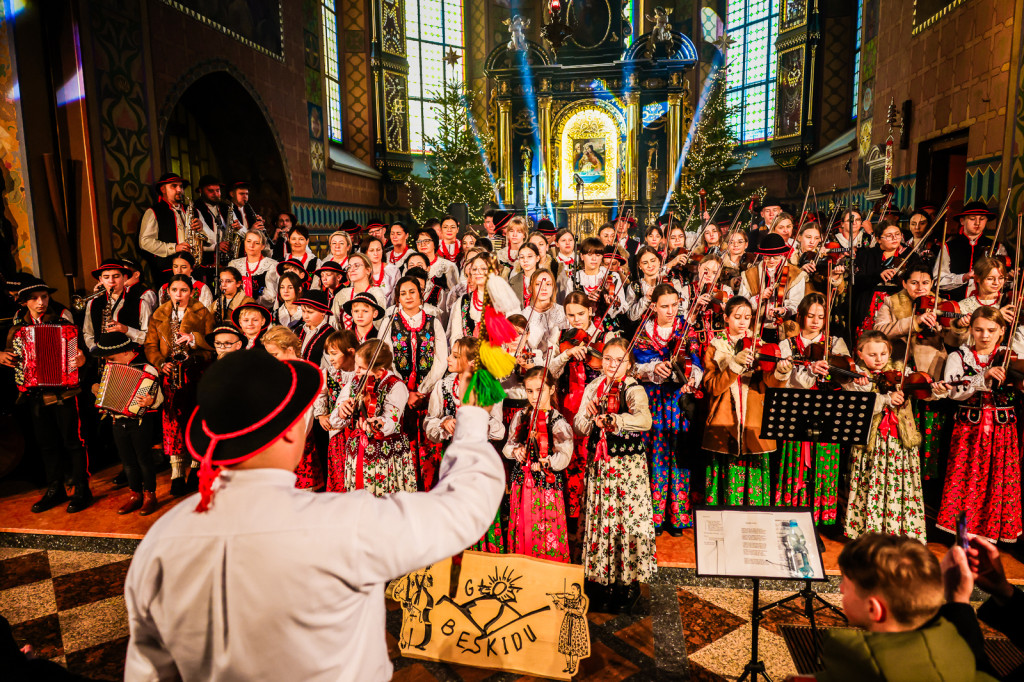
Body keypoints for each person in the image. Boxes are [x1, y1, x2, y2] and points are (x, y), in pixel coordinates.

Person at [123, 349, 506, 681]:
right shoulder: (343, 525)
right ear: (292, 432)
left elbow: (150, 672)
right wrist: (472, 417)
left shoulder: (162, 540)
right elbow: (465, 508)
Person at [799, 533, 998, 682]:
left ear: (874, 609)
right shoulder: (963, 648)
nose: (841, 589)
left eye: (846, 585)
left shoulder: (861, 663)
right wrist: (958, 599)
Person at [574, 337, 655, 614]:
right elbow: (580, 426)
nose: (611, 364)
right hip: (601, 467)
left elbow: (645, 420)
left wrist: (616, 420)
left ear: (628, 364)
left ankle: (627, 582)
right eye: (607, 358)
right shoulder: (594, 387)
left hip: (626, 468)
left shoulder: (633, 388)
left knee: (625, 520)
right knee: (603, 519)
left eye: (618, 360)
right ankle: (602, 580)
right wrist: (590, 419)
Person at [0, 278, 90, 513]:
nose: (41, 302)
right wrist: (2, 356)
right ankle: (55, 488)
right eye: (34, 298)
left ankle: (82, 489)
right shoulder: (17, 326)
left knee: (73, 443)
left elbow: (82, 352)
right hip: (36, 394)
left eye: (44, 297)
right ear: (24, 302)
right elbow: (11, 353)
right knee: (46, 444)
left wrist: (81, 360)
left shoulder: (63, 319)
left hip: (65, 392)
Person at [936, 306, 1021, 543]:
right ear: (971, 330)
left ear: (1002, 331)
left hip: (1002, 428)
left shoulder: (1010, 356)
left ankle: (994, 532)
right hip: (969, 429)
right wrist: (981, 377)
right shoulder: (959, 356)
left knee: (999, 479)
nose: (985, 335)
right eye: (979, 330)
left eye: (991, 330)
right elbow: (954, 392)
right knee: (966, 478)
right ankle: (964, 534)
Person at [702, 296, 792, 505]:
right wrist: (733, 365)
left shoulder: (761, 346)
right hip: (724, 422)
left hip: (755, 421)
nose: (743, 322)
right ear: (726, 318)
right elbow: (713, 387)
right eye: (737, 317)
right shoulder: (715, 347)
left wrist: (780, 373)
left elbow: (770, 385)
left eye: (748, 317)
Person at [841, 330, 927, 541]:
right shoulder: (855, 378)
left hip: (899, 441)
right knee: (870, 481)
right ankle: (868, 531)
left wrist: (936, 387)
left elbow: (924, 390)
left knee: (900, 482)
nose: (878, 359)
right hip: (872, 442)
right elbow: (861, 407)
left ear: (889, 352)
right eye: (872, 355)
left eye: (883, 354)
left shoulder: (900, 372)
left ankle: (900, 530)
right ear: (860, 354)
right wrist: (883, 398)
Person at [633, 283, 703, 534]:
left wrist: (693, 378)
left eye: (675, 305)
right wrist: (653, 369)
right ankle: (653, 516)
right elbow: (637, 366)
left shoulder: (686, 329)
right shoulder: (643, 330)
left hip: (677, 401)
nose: (672, 310)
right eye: (665, 306)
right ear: (653, 306)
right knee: (655, 454)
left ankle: (677, 515)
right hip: (652, 399)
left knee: (678, 453)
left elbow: (695, 360)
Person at [776, 294, 851, 526]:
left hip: (827, 413)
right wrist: (809, 370)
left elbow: (844, 374)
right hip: (797, 412)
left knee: (823, 465)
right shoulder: (786, 344)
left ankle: (818, 521)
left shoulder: (835, 343)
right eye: (811, 316)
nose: (816, 321)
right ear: (800, 316)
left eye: (821, 317)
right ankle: (792, 518)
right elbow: (786, 381)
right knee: (795, 464)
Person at [145, 274, 214, 497]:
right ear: (168, 292)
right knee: (172, 423)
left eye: (184, 290)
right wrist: (160, 363)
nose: (179, 295)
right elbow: (150, 345)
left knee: (194, 421)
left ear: (191, 292)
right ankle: (176, 473)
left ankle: (195, 468)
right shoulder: (159, 314)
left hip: (195, 374)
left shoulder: (202, 311)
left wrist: (196, 350)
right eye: (175, 290)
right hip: (170, 374)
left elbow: (211, 345)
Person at [382, 276, 449, 490]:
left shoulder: (433, 321)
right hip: (397, 395)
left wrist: (421, 390)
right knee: (402, 443)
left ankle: (430, 491)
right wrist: (404, 392)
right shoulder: (389, 323)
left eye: (412, 292)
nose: (408, 297)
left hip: (426, 395)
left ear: (421, 295)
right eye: (403, 293)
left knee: (428, 446)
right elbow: (386, 359)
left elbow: (441, 360)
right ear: (397, 298)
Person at [503, 366, 572, 562]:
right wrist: (517, 451)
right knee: (523, 526)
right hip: (522, 483)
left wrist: (546, 461)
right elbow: (508, 446)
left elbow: (564, 456)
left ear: (551, 390)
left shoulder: (558, 422)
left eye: (540, 391)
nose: (534, 397)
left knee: (545, 527)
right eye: (530, 391)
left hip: (545, 486)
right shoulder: (521, 416)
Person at [91, 332, 162, 516]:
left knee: (144, 459)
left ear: (124, 352)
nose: (109, 362)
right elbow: (101, 391)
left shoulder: (147, 369)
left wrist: (150, 402)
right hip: (117, 420)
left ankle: (150, 496)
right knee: (127, 462)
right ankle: (135, 495)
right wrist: (97, 390)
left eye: (111, 358)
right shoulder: (110, 368)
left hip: (140, 422)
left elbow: (159, 397)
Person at [332, 340, 416, 495]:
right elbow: (334, 419)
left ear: (379, 371)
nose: (356, 371)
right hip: (358, 450)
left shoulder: (395, 386)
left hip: (387, 453)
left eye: (362, 368)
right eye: (356, 365)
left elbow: (392, 419)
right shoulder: (356, 381)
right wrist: (341, 411)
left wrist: (379, 423)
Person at [139, 173, 213, 282]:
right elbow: (144, 242)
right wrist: (174, 248)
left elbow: (211, 239)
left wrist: (202, 228)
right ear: (163, 189)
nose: (179, 190)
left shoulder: (194, 210)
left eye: (181, 187)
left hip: (194, 269)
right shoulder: (153, 212)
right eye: (174, 186)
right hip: (168, 270)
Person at [936, 201, 1006, 300]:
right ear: (962, 221)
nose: (977, 223)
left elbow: (1003, 282)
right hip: (954, 303)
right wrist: (963, 277)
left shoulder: (997, 246)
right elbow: (938, 280)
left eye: (982, 219)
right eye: (972, 218)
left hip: (986, 304)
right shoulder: (948, 246)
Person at [317, 329, 358, 492]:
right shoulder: (329, 374)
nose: (330, 358)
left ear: (351, 352)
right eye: (329, 354)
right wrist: (320, 414)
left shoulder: (361, 374)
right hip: (337, 434)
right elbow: (320, 393)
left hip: (355, 431)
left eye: (334, 353)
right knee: (339, 473)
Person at [83, 258, 152, 353]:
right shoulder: (92, 303)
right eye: (106, 277)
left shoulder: (141, 303)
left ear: (125, 278)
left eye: (116, 276)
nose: (111, 281)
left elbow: (149, 337)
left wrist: (126, 330)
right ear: (100, 280)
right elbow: (88, 333)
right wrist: (95, 349)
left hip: (130, 358)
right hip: (103, 359)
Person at [332, 253, 385, 329]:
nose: (352, 270)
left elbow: (379, 325)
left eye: (356, 266)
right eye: (349, 267)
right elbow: (334, 323)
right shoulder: (342, 294)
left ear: (368, 270)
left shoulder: (376, 294)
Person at [228, 229, 279, 309]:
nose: (251, 246)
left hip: (261, 309)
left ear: (263, 246)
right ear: (244, 242)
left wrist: (252, 304)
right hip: (237, 309)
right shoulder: (234, 264)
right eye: (248, 241)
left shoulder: (272, 265)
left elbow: (271, 295)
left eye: (257, 243)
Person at [361, 236, 399, 301]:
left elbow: (398, 294)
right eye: (371, 250)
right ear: (365, 253)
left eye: (378, 250)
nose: (376, 253)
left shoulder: (393, 270)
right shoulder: (360, 271)